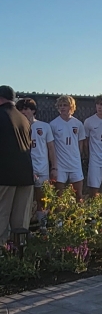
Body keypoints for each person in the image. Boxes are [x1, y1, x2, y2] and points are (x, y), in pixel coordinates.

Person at [0, 86, 34, 244]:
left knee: (2, 216)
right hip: (26, 174)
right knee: (20, 221)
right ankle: (20, 254)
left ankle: (3, 255)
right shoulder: (24, 119)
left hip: (4, 174)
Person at [16, 98, 57, 230]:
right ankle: (24, 228)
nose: (23, 111)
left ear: (33, 110)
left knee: (42, 198)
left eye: (26, 109)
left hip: (42, 168)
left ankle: (43, 227)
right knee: (24, 201)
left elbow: (51, 148)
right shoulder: (17, 126)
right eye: (21, 109)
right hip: (26, 169)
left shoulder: (44, 126)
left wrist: (54, 167)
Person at [50, 95, 85, 201]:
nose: (62, 108)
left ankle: (79, 217)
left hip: (75, 164)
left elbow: (81, 144)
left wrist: (76, 157)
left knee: (78, 195)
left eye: (65, 105)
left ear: (71, 106)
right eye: (60, 105)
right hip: (60, 165)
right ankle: (59, 217)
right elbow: (51, 145)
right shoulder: (53, 124)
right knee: (59, 196)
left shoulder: (78, 124)